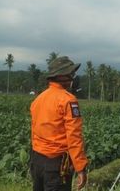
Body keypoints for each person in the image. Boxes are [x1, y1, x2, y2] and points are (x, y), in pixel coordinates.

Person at [30, 56, 88, 191]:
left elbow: (34, 130)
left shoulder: (39, 99)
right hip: (56, 164)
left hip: (37, 160)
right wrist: (80, 168)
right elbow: (74, 137)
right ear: (61, 76)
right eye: (70, 74)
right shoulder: (68, 100)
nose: (73, 77)